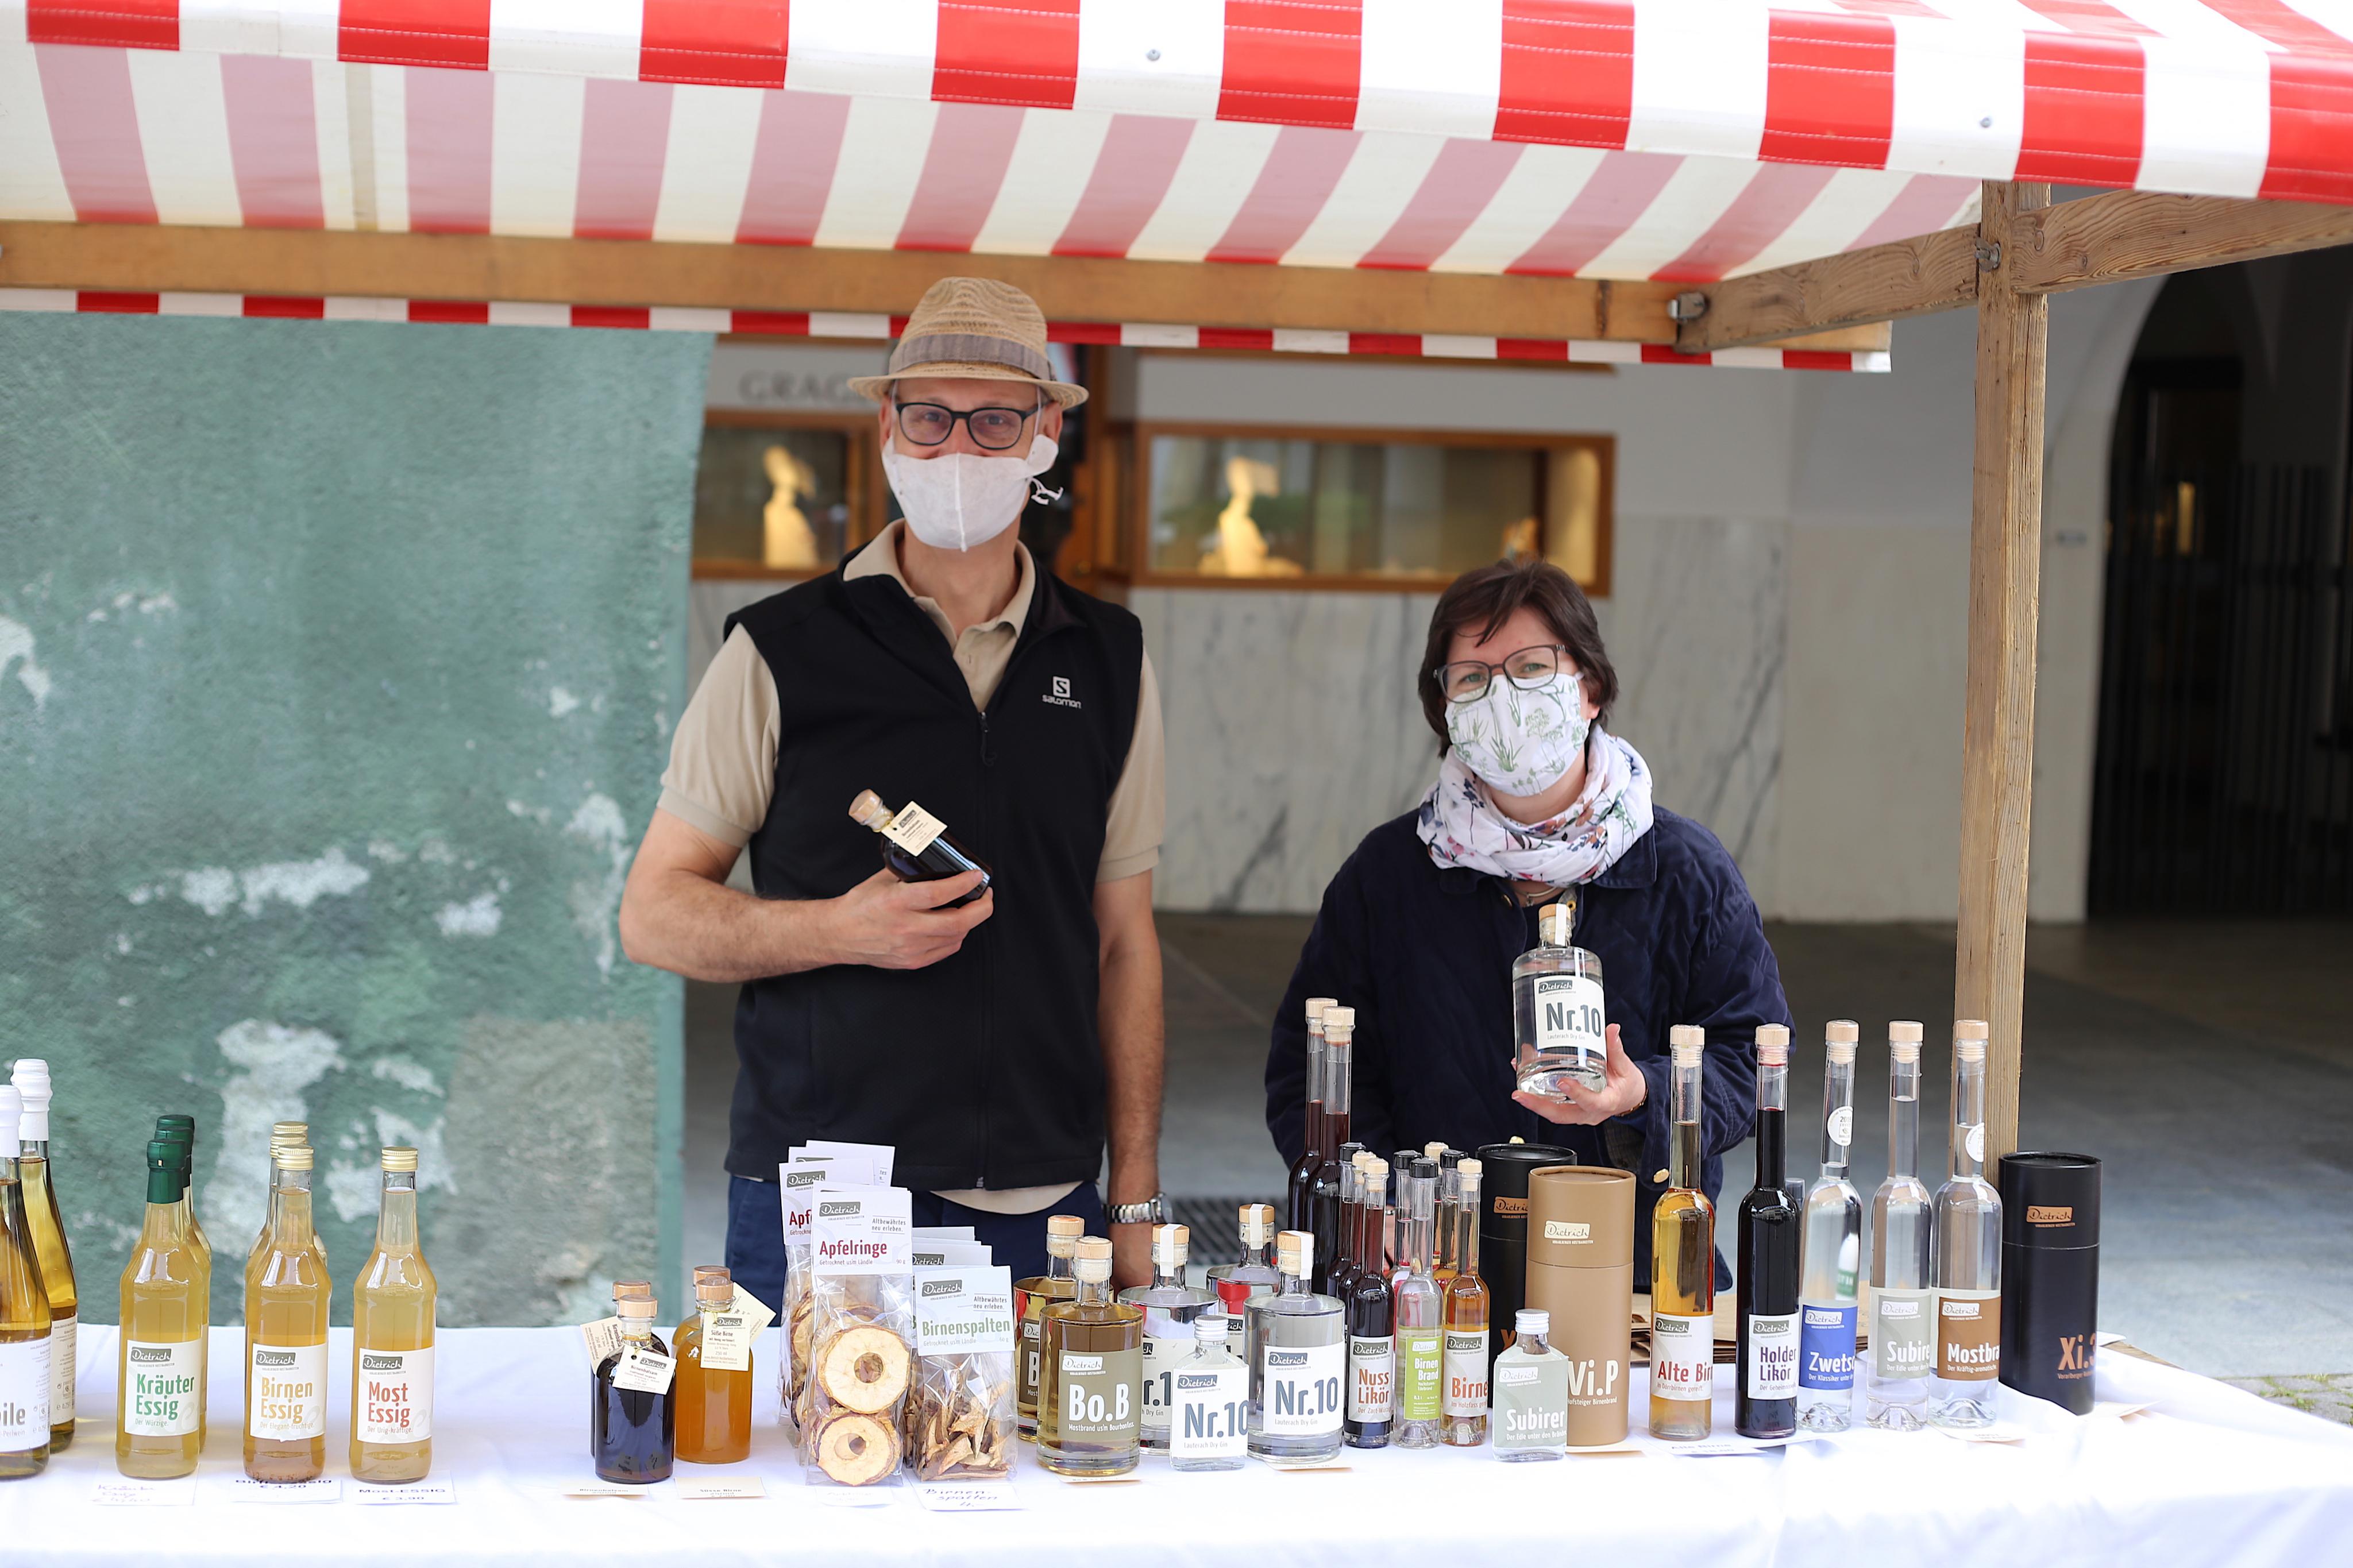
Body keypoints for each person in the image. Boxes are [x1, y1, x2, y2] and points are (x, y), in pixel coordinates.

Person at [620, 277, 1168, 1304]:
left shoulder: (1110, 660)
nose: (957, 448)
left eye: (995, 420)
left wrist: (1133, 1194)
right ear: (887, 429)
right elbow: (652, 915)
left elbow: (1124, 941)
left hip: (1045, 1203)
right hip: (828, 1197)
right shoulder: (779, 649)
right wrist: (836, 929)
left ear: (1045, 434)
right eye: (929, 417)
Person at [1264, 558, 1786, 1285]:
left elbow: (1752, 1057)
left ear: (1590, 688)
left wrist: (1643, 1094)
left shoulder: (1684, 871)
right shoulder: (1389, 875)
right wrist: (1371, 1196)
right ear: (1444, 708)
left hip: (1638, 1277)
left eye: (1531, 668)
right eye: (1472, 678)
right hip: (1435, 1276)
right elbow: (1310, 1067)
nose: (1501, 697)